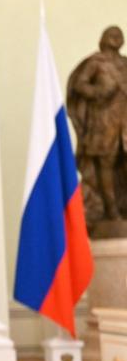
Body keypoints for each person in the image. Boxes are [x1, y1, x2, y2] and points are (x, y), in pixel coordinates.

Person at [67, 25, 127, 227]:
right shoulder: (96, 62)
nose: (116, 37)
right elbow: (79, 84)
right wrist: (99, 92)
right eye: (112, 34)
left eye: (119, 34)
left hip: (125, 120)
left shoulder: (125, 63)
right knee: (105, 163)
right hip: (104, 120)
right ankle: (111, 211)